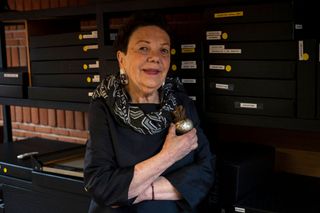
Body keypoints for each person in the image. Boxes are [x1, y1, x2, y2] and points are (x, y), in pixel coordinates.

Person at [84, 12, 215, 213]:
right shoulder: (104, 107)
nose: (155, 58)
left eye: (164, 50)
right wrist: (169, 156)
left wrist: (139, 191)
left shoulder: (178, 103)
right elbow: (101, 186)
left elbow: (204, 170)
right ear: (122, 59)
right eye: (143, 48)